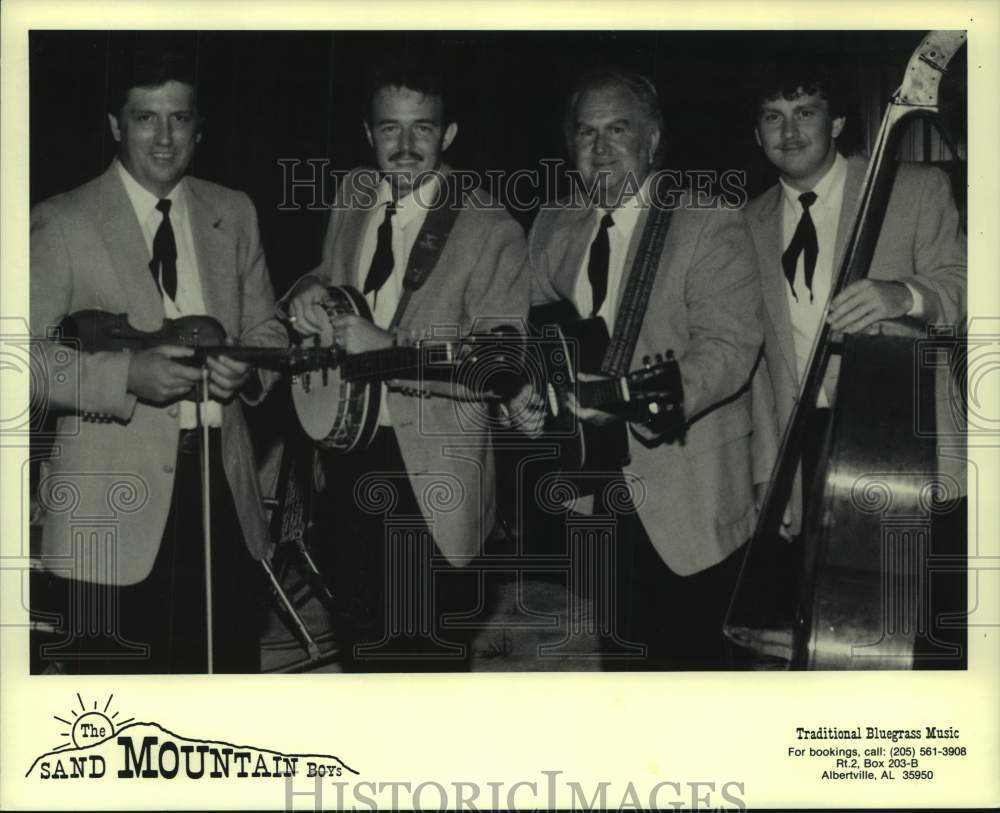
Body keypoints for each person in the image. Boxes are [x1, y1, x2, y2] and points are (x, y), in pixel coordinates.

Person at [29, 47, 276, 673]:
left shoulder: (235, 211)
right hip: (106, 509)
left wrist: (249, 370)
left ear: (199, 126)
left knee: (220, 715)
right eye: (146, 118)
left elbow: (268, 331)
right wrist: (125, 378)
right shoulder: (62, 221)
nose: (165, 138)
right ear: (115, 125)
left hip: (222, 497)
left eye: (180, 118)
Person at [281, 59, 530, 671]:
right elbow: (326, 278)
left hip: (432, 475)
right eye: (390, 129)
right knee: (362, 650)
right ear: (369, 134)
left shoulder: (490, 227)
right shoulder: (352, 197)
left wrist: (385, 345)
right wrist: (302, 299)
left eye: (423, 129)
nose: (406, 145)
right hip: (344, 457)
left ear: (448, 135)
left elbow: (498, 363)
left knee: (425, 664)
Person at [528, 69, 766, 670]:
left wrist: (630, 397)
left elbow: (729, 349)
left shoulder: (708, 220)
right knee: (624, 666)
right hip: (593, 487)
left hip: (689, 489)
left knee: (701, 679)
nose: (601, 147)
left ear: (653, 139)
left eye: (618, 130)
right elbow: (528, 330)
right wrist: (524, 389)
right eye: (586, 133)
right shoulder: (554, 224)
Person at [745, 65, 967, 666]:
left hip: (905, 437)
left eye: (806, 112)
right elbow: (760, 369)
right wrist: (773, 476)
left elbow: (966, 284)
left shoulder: (913, 187)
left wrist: (903, 294)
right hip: (810, 448)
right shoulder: (747, 222)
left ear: (837, 121)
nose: (789, 132)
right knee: (838, 633)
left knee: (926, 629)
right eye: (773, 117)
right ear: (757, 132)